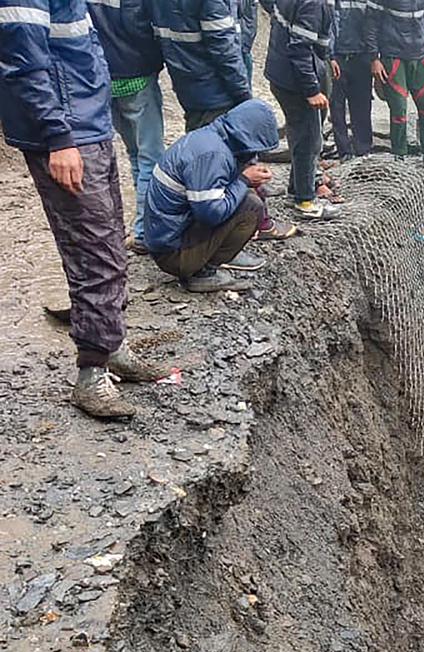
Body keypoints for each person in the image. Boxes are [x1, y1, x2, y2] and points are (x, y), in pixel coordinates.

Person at [1, 0, 168, 418]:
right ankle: (91, 373)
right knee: (94, 252)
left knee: (109, 241)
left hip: (89, 125)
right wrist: (58, 137)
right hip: (68, 133)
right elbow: (24, 63)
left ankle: (113, 347)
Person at [145, 100, 279, 293]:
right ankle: (204, 272)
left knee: (244, 196)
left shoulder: (213, 136)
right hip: (173, 254)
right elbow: (210, 214)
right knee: (251, 206)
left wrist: (245, 172)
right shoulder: (213, 155)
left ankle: (213, 252)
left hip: (169, 235)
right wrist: (243, 180)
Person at [85, 0, 165, 256]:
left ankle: (135, 226)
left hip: (104, 79)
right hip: (136, 75)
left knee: (134, 154)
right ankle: (145, 232)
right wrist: (155, 61)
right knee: (151, 157)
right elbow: (140, 28)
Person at [265, 0, 341, 219]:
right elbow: (299, 48)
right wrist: (311, 90)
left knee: (300, 133)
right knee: (309, 138)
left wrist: (328, 57)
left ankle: (296, 189)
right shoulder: (314, 3)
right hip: (293, 81)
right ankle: (305, 201)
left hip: (281, 72)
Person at [148, 0, 252, 131]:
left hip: (187, 87)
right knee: (217, 146)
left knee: (198, 142)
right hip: (217, 93)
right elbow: (224, 50)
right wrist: (244, 95)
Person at [367, 0, 424, 167]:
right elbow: (371, 23)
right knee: (398, 109)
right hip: (393, 56)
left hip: (421, 56)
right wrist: (374, 58)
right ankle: (399, 156)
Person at [330, 0, 375, 159]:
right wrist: (330, 55)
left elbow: (374, 24)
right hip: (338, 57)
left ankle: (363, 149)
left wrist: (374, 55)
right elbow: (326, 23)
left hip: (362, 57)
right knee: (336, 107)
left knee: (362, 105)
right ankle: (344, 151)